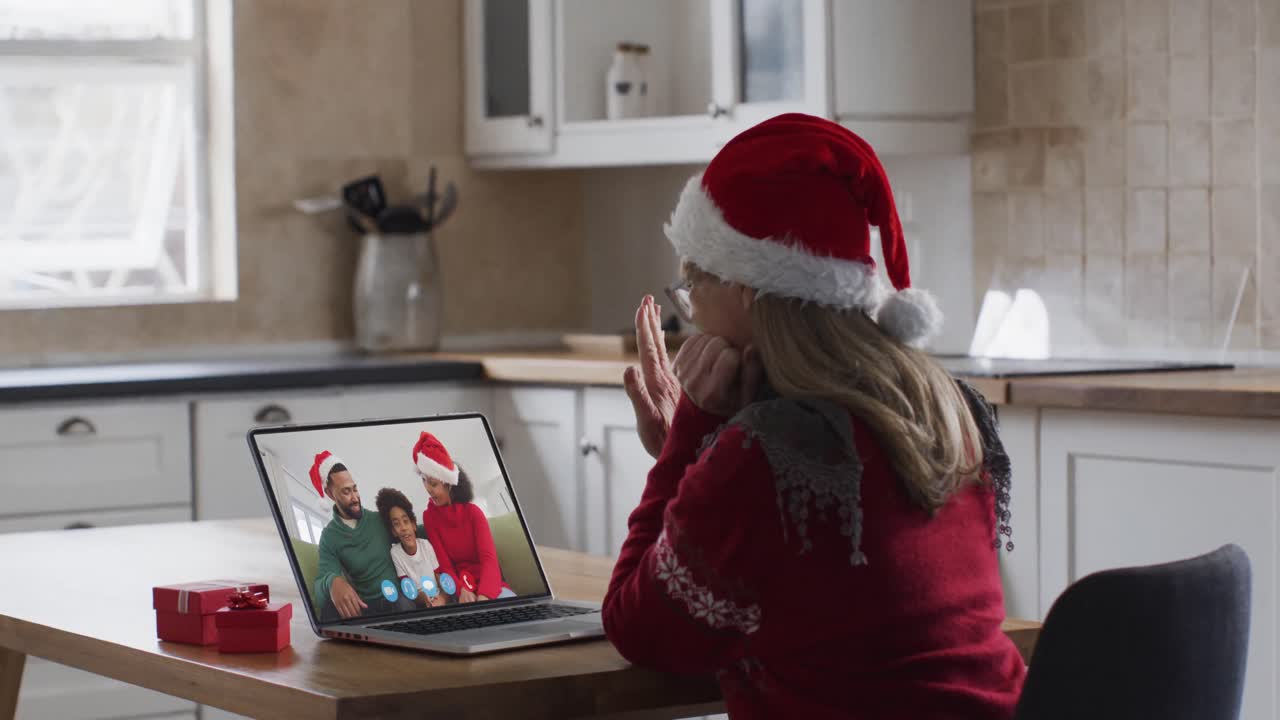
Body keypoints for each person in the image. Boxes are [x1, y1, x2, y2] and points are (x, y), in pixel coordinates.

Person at [604, 113, 1025, 719]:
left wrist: (690, 438)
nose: (691, 316)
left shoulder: (763, 454)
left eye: (693, 286)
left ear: (748, 287)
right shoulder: (948, 407)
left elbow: (636, 628)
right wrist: (707, 457)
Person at [412, 431, 516, 602]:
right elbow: (444, 564)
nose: (428, 489)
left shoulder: (473, 513)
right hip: (460, 589)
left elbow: (489, 560)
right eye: (424, 480)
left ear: (450, 485)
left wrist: (484, 596)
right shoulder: (430, 517)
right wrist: (461, 589)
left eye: (433, 484)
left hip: (489, 584)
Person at [311, 451, 415, 620]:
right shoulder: (329, 537)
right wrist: (332, 582)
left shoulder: (378, 519)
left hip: (396, 599)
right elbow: (320, 586)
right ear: (330, 494)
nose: (355, 498)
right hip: (365, 606)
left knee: (404, 604)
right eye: (346, 492)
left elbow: (411, 530)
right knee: (328, 612)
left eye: (355, 489)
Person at [375, 486, 449, 608]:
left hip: (438, 597)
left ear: (414, 525)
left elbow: (440, 578)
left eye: (406, 521)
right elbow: (408, 588)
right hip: (420, 601)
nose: (403, 528)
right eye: (397, 524)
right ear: (393, 531)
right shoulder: (396, 553)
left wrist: (442, 599)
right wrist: (423, 598)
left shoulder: (425, 545)